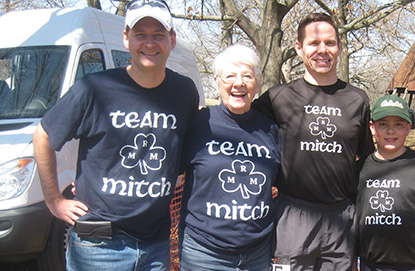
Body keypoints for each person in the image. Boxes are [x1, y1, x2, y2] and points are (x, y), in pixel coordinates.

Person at [32, 0, 199, 269]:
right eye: (140, 34)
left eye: (158, 35)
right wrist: (53, 200)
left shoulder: (184, 91)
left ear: (172, 40)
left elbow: (183, 150)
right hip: (97, 244)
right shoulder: (94, 89)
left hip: (156, 244)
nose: (149, 43)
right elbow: (43, 135)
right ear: (126, 38)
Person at [253, 12, 375, 271]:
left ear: (339, 48)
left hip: (341, 219)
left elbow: (367, 158)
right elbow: (240, 128)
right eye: (314, 43)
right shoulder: (277, 98)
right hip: (292, 217)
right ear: (299, 48)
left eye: (330, 43)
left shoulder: (357, 99)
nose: (323, 50)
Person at [179, 45, 281, 271]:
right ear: (216, 81)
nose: (239, 83)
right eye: (230, 76)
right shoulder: (199, 122)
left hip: (258, 253)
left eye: (247, 75)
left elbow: (286, 182)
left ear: (257, 82)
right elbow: (164, 171)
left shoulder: (270, 129)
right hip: (204, 253)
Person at [356, 95, 415, 271]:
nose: (390, 131)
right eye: (383, 124)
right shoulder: (361, 169)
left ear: (409, 127)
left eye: (398, 124)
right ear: (372, 127)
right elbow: (350, 223)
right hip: (371, 265)